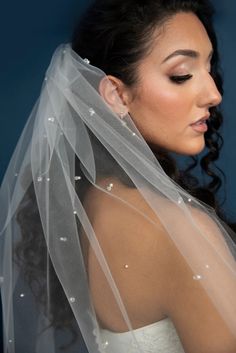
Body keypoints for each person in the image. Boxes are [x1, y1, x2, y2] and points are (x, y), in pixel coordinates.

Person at [0, 0, 236, 352]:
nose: (213, 94)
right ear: (115, 94)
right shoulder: (181, 231)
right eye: (182, 75)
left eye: (209, 68)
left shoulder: (88, 204)